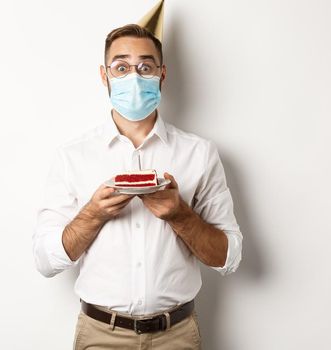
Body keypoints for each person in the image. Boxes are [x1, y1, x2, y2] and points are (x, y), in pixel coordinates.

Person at [31, 1, 243, 349]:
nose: (134, 77)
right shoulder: (72, 156)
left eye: (145, 67)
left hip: (177, 335)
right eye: (121, 67)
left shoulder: (199, 153)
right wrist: (93, 213)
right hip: (100, 335)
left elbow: (229, 258)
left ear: (162, 75)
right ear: (104, 76)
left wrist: (180, 215)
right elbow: (45, 261)